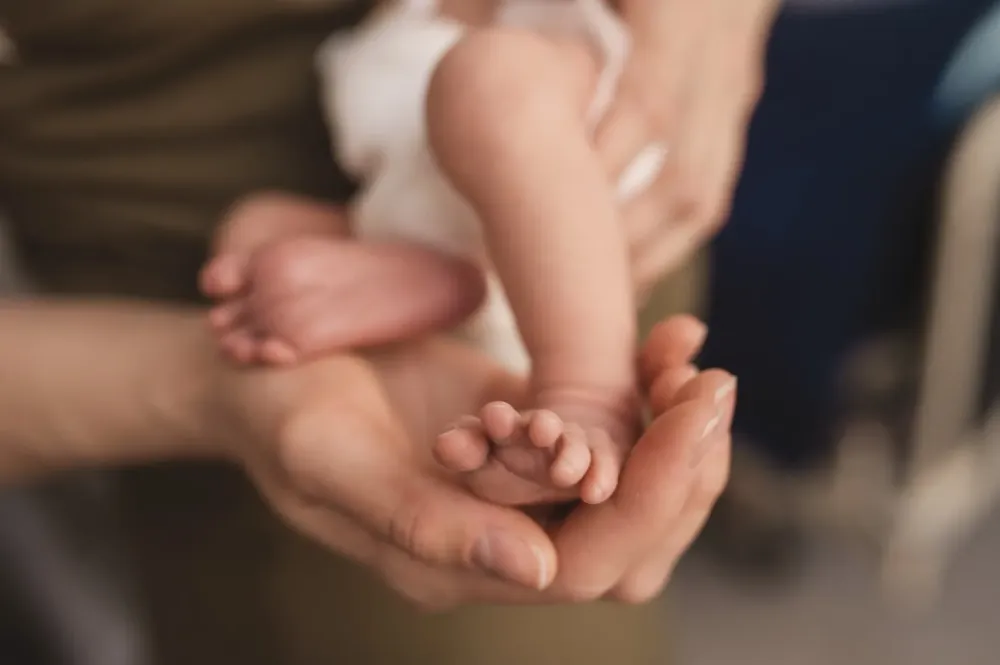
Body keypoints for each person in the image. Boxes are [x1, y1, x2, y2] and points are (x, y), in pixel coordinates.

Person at [0, 0, 774, 662]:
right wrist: (209, 383)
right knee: (253, 240)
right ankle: (458, 312)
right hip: (417, 178)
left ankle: (583, 388)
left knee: (492, 87)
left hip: (562, 196)